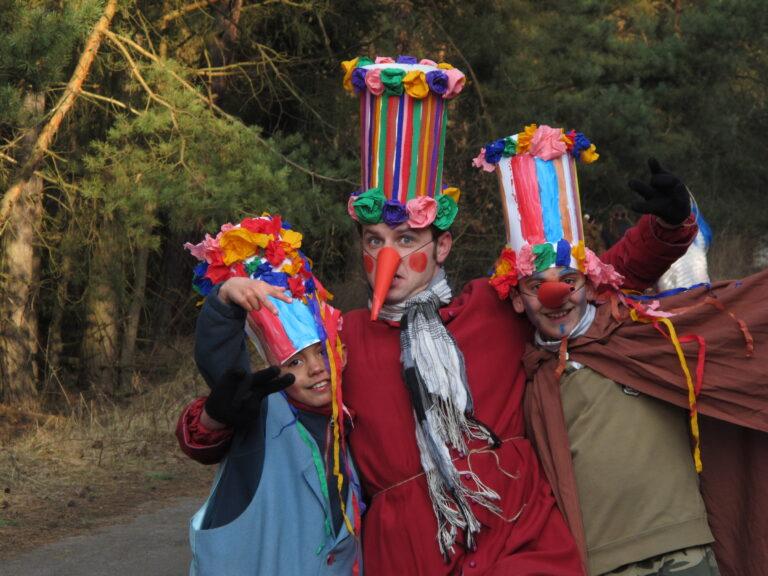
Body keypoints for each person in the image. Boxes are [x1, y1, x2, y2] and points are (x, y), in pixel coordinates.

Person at [179, 57, 697, 575]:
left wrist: (667, 226)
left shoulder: (493, 307)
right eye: (374, 241)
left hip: (521, 538)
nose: (389, 257)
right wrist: (219, 387)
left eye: (407, 240)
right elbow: (237, 422)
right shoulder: (343, 339)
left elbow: (590, 281)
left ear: (442, 244)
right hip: (408, 554)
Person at [476, 126, 768, 576]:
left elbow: (634, 259)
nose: (558, 297)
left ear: (588, 281)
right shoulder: (525, 365)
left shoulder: (635, 330)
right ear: (517, 297)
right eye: (538, 286)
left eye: (569, 281)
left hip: (687, 551)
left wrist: (671, 222)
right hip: (603, 565)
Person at [179, 213, 363, 576]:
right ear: (273, 371)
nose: (315, 369)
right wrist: (226, 300)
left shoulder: (348, 416)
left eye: (322, 352)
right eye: (294, 362)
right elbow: (225, 375)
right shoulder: (262, 413)